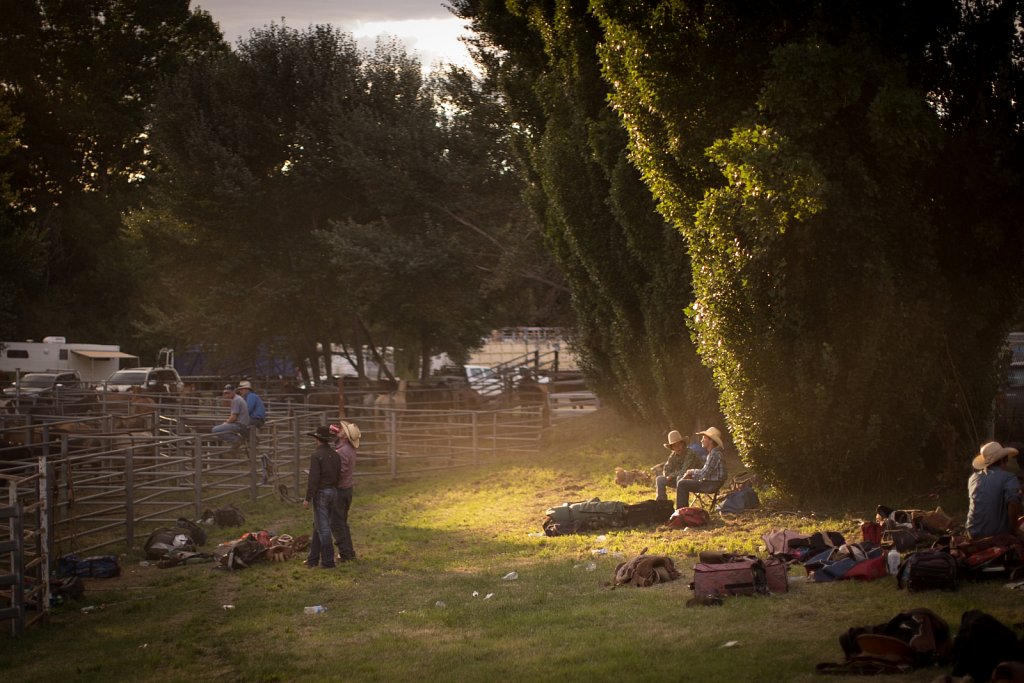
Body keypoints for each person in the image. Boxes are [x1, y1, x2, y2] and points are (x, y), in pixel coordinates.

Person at [966, 441, 1022, 539]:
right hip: (996, 535)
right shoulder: (1009, 477)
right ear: (1004, 460)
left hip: (972, 533)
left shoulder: (973, 478)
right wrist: (1014, 530)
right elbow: (1013, 503)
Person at [303, 425, 341, 568]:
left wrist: (307, 498)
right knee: (319, 525)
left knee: (323, 528)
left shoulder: (316, 456)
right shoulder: (335, 455)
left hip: (322, 493)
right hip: (333, 491)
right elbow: (338, 475)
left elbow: (313, 479)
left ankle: (328, 561)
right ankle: (312, 560)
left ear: (317, 439)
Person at [672, 426, 727, 509]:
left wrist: (691, 472)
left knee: (682, 484)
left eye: (704, 438)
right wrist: (691, 474)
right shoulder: (714, 453)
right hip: (712, 482)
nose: (701, 440)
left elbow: (704, 473)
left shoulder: (714, 454)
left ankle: (681, 512)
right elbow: (706, 472)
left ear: (711, 440)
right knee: (683, 481)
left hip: (711, 485)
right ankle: (683, 511)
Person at [329, 421, 361, 562]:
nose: (340, 429)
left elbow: (339, 473)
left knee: (337, 523)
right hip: (347, 489)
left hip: (340, 490)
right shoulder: (349, 449)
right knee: (342, 522)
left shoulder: (341, 452)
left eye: (343, 430)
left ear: (345, 436)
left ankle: (345, 553)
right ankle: (348, 551)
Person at [655, 430, 707, 503]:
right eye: (674, 446)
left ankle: (681, 507)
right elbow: (666, 469)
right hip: (679, 478)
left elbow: (685, 470)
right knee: (660, 479)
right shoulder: (673, 455)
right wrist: (668, 475)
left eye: (679, 444)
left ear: (683, 444)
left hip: (695, 479)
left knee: (680, 479)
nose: (677, 447)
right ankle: (662, 503)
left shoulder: (690, 453)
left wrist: (672, 475)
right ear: (672, 447)